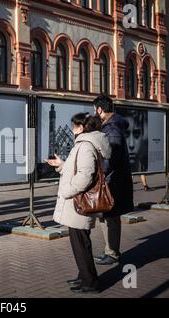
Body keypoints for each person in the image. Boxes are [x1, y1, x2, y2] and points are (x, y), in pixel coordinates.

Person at [46, 113, 111, 294]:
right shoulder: (87, 144)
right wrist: (61, 164)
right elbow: (78, 168)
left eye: (74, 126)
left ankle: (90, 282)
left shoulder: (85, 145)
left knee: (80, 244)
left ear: (82, 127)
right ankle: (84, 276)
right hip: (78, 202)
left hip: (78, 202)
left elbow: (85, 175)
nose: (73, 129)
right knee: (81, 242)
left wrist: (67, 191)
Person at [93, 95, 134, 266]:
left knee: (109, 218)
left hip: (111, 181)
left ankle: (112, 253)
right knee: (108, 217)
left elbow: (111, 157)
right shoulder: (112, 126)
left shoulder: (112, 129)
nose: (94, 112)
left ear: (100, 109)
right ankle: (110, 250)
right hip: (112, 180)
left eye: (95, 109)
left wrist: (100, 173)